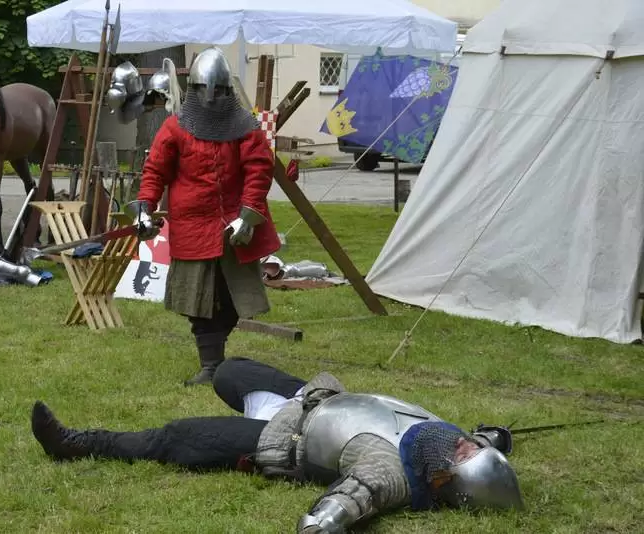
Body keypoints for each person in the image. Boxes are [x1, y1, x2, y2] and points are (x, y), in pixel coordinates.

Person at [31, 358, 524, 533]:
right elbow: (483, 439)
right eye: (472, 446)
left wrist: (322, 523)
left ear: (443, 479)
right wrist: (496, 437)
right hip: (312, 399)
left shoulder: (392, 471)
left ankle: (76, 443)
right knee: (229, 371)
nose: (465, 444)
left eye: (467, 455)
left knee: (175, 437)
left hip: (282, 439)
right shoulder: (444, 440)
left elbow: (353, 497)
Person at [123, 46, 282, 386]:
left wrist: (247, 214)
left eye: (219, 91)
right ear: (193, 89)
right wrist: (144, 208)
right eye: (203, 89)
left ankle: (216, 357)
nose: (211, 98)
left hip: (233, 225)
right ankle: (211, 366)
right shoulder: (176, 127)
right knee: (196, 300)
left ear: (227, 90)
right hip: (193, 226)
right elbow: (155, 171)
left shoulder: (244, 126)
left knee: (233, 298)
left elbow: (259, 170)